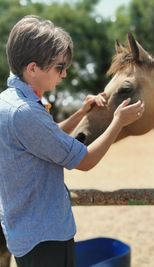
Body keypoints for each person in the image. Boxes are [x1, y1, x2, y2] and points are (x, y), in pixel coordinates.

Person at [0, 15, 145, 267]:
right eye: (59, 67)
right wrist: (118, 121)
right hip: (45, 238)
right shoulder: (26, 112)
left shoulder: (8, 101)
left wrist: (81, 112)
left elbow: (46, 136)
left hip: (25, 231)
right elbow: (85, 160)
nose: (65, 74)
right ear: (33, 68)